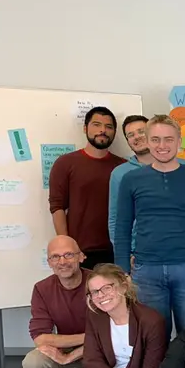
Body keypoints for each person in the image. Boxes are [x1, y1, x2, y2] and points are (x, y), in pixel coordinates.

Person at [115, 115, 185, 341]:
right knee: (153, 338)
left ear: (179, 141)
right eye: (156, 139)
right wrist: (123, 273)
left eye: (168, 139)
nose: (162, 146)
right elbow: (122, 229)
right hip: (146, 272)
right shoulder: (131, 180)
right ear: (148, 141)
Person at [24, 235, 92, 368]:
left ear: (81, 257)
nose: (62, 262)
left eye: (69, 254)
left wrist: (82, 348)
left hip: (100, 349)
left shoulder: (97, 283)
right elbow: (40, 338)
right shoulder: (42, 289)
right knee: (33, 361)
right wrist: (82, 340)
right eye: (55, 257)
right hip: (75, 347)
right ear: (49, 263)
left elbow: (111, 333)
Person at [49, 106, 126, 269]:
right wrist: (67, 249)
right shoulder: (65, 163)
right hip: (81, 252)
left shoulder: (123, 167)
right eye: (96, 125)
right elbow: (58, 207)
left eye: (109, 127)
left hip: (118, 251)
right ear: (85, 128)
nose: (103, 130)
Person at [108, 115, 185, 249]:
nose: (137, 137)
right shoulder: (120, 174)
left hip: (183, 248)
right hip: (140, 252)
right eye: (130, 135)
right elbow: (115, 219)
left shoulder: (183, 166)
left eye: (141, 131)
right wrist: (125, 253)